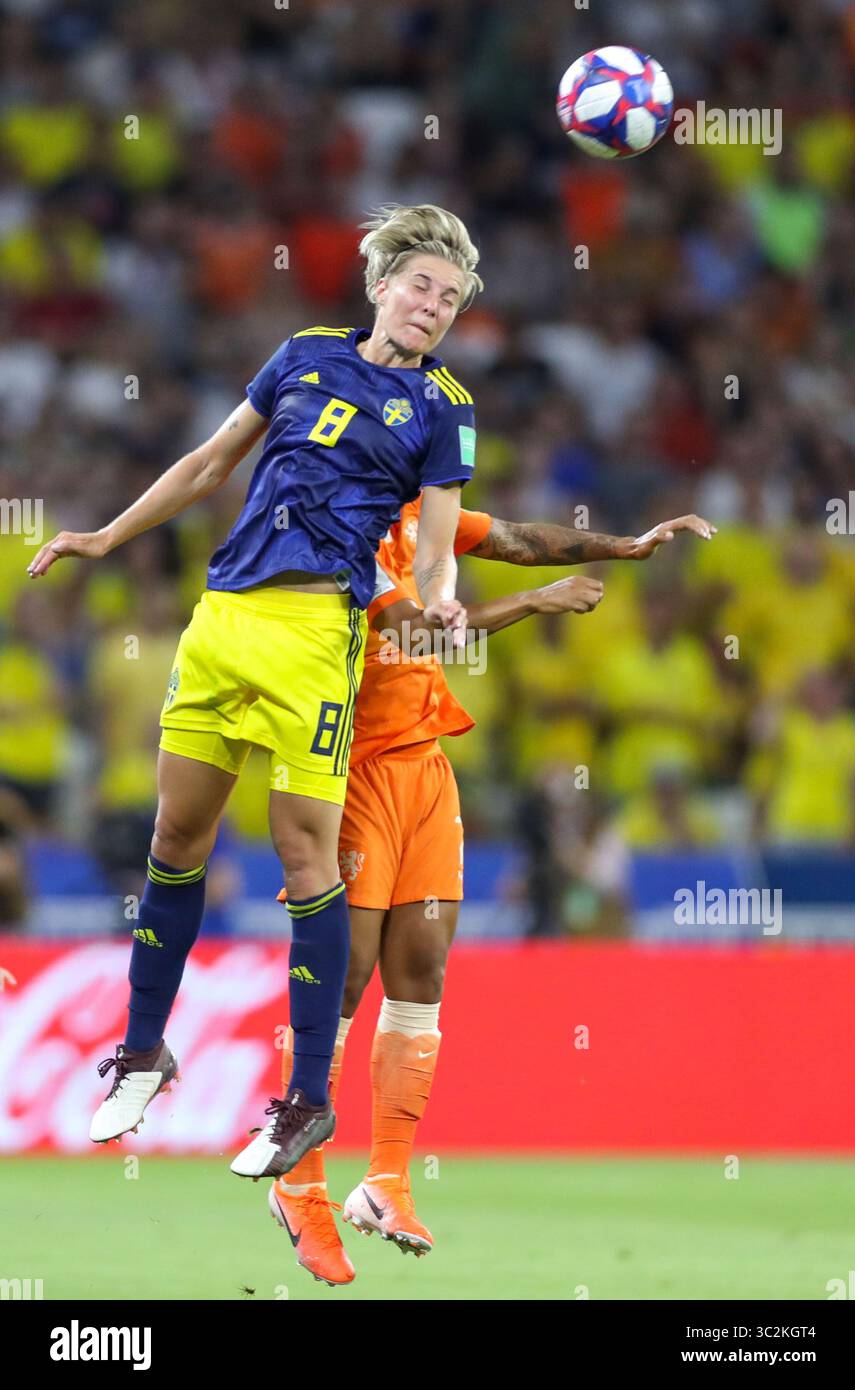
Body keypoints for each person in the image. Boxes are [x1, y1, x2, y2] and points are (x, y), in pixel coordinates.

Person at [25, 203, 482, 1179]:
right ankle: (145, 1052)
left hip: (317, 632)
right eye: (419, 285)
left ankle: (305, 1098)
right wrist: (107, 534)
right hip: (223, 616)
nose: (431, 306)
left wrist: (441, 600)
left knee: (302, 854)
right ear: (379, 285)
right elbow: (208, 462)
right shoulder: (303, 353)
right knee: (174, 837)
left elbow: (437, 545)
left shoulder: (446, 408)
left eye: (448, 298)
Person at [272, 502, 715, 1283]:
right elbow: (414, 634)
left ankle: (386, 1181)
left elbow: (517, 540)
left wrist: (627, 545)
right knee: (345, 973)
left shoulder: (425, 510)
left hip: (425, 765)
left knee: (423, 974)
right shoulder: (340, 519)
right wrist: (538, 603)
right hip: (353, 768)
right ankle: (298, 1182)